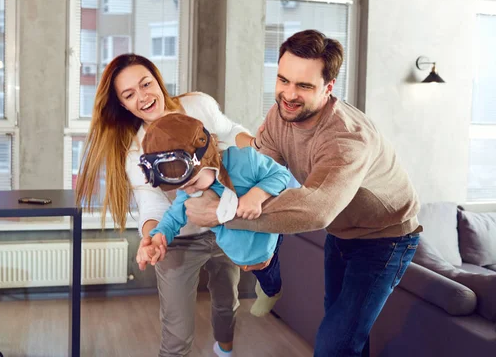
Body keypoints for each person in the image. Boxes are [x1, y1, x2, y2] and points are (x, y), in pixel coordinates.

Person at [182, 30, 422, 357]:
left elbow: (314, 209)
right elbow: (259, 170)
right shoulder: (280, 115)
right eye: (283, 80)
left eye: (304, 86)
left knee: (335, 343)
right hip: (341, 232)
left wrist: (221, 213)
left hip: (385, 237)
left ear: (328, 88)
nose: (288, 94)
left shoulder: (347, 139)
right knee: (348, 334)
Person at [74, 53, 257, 357]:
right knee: (176, 336)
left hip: (225, 228)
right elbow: (151, 204)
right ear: (123, 104)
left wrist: (257, 148)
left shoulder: (197, 105)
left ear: (158, 80)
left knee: (227, 306)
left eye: (146, 84)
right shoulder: (136, 150)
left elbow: (227, 130)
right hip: (177, 242)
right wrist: (152, 237)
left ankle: (225, 351)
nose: (143, 97)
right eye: (129, 95)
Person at [139, 113, 292, 322]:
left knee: (268, 275)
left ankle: (272, 292)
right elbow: (173, 218)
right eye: (183, 188)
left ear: (207, 157)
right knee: (252, 270)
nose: (189, 191)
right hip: (237, 252)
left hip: (266, 245)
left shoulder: (244, 160)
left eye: (193, 183)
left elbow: (282, 175)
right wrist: (157, 238)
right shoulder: (187, 191)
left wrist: (258, 193)